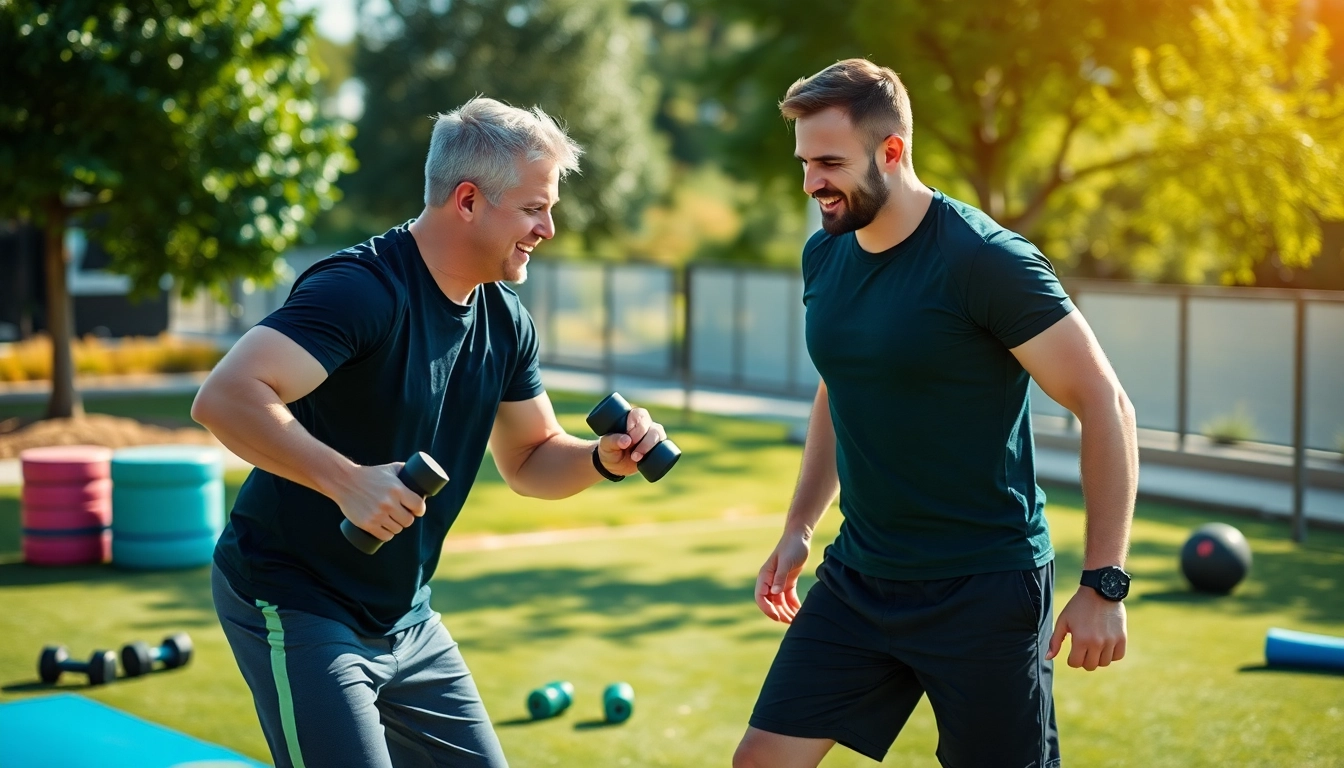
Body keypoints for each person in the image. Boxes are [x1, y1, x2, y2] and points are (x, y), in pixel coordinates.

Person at [192, 97, 668, 768]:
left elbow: (530, 458)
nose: (548, 229)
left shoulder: (505, 318)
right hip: (292, 594)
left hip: (406, 617)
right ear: (468, 200)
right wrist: (349, 483)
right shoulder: (362, 291)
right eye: (535, 208)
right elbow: (225, 397)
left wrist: (603, 459)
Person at [733, 59, 1139, 768]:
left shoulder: (983, 260)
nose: (811, 184)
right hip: (861, 578)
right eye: (804, 162)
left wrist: (1103, 583)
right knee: (762, 760)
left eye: (829, 162)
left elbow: (1105, 404)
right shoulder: (824, 255)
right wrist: (799, 527)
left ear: (892, 151)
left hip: (983, 588)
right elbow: (841, 384)